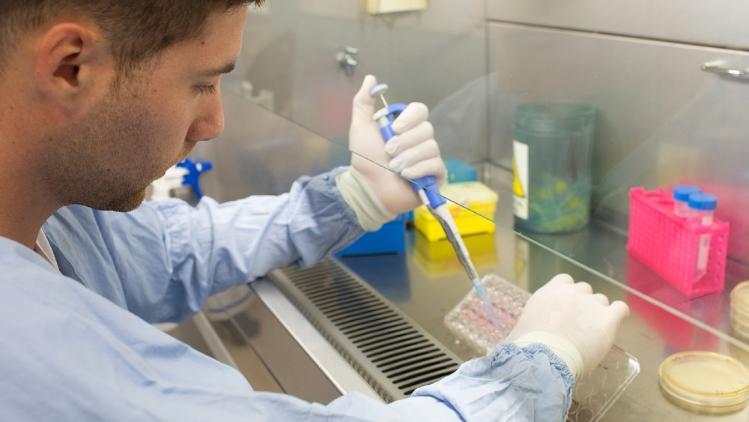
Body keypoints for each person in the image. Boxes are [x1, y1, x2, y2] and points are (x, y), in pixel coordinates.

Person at [0, 1, 630, 421]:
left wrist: (356, 197)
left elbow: (166, 251)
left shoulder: (47, 212)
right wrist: (532, 370)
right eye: (201, 83)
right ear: (70, 67)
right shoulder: (25, 350)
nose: (214, 121)